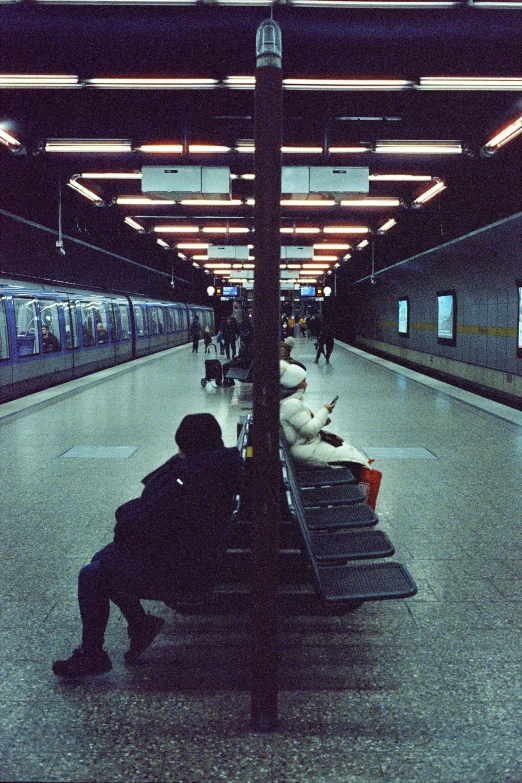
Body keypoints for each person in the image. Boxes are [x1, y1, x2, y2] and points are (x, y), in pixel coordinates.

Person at [52, 414, 244, 678]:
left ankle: (93, 654)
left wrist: (124, 518)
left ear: (188, 445)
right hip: (189, 554)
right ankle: (139, 624)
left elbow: (150, 522)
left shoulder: (192, 478)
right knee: (102, 560)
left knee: (92, 574)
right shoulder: (214, 467)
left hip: (184, 571)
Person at [279, 361, 371, 478]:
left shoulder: (291, 401)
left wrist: (322, 421)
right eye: (303, 381)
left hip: (306, 445)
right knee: (353, 461)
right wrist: (325, 411)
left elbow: (303, 426)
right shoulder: (291, 404)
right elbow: (309, 430)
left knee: (351, 454)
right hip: (305, 450)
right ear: (295, 383)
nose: (306, 384)